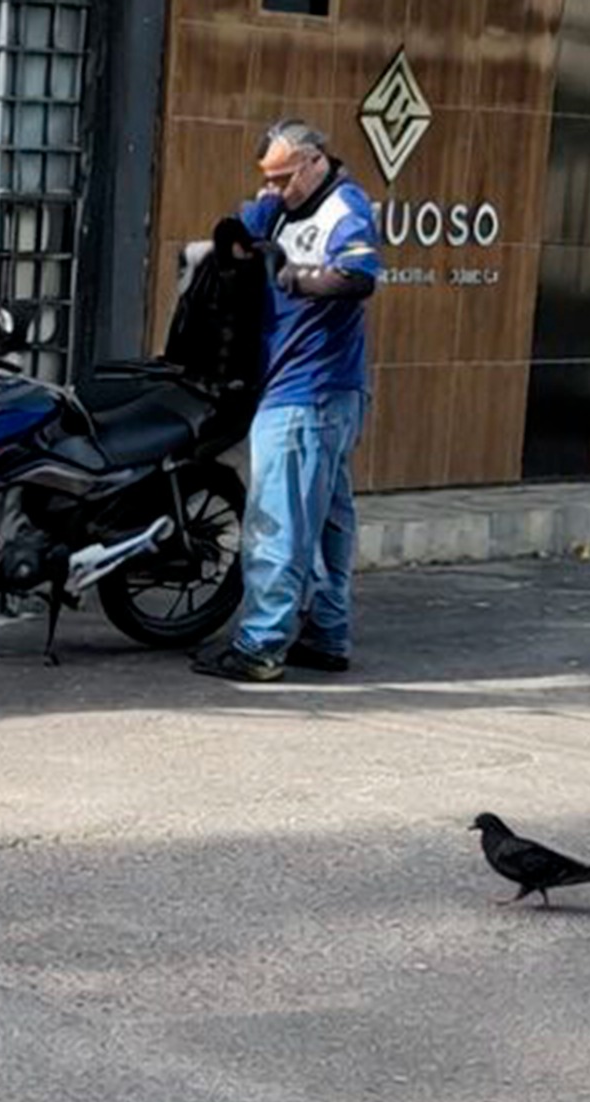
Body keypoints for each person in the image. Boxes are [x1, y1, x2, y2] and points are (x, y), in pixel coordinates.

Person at [193, 119, 381, 683]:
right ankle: (326, 632)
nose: (275, 189)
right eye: (267, 179)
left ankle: (260, 644)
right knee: (325, 521)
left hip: (310, 392)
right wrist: (246, 228)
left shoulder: (344, 208)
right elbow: (235, 237)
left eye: (284, 178)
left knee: (276, 521)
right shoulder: (279, 208)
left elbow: (359, 277)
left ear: (315, 160)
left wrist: (293, 277)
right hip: (312, 392)